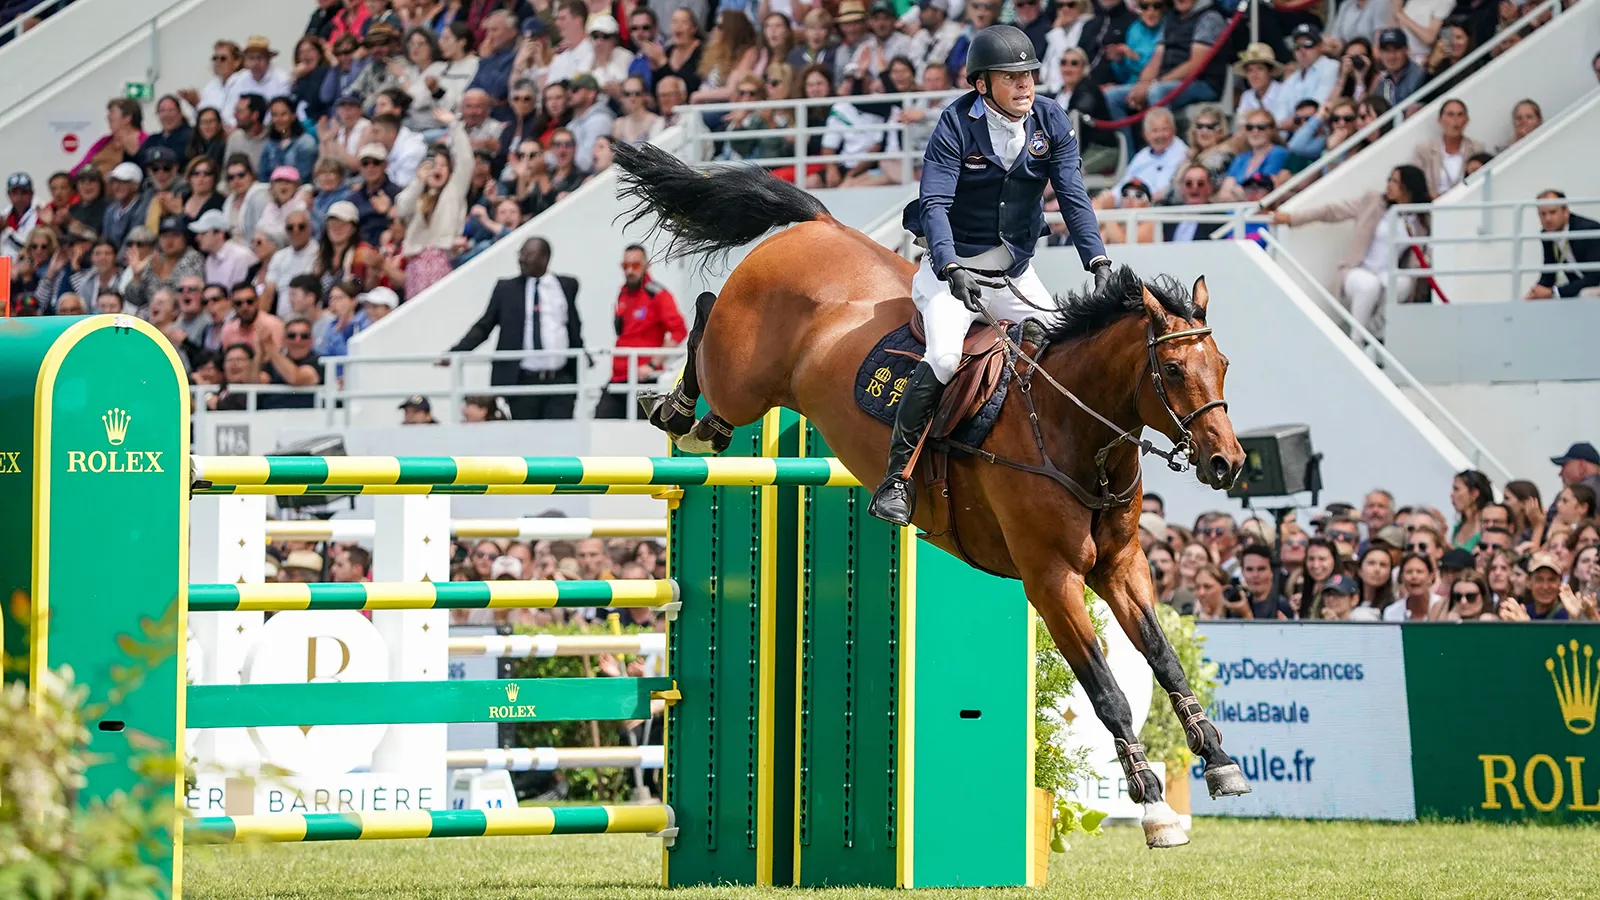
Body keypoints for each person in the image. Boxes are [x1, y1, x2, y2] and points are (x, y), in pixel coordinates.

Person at [874, 25, 1110, 526]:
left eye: (1029, 75)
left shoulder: (1051, 119)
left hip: (1016, 276)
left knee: (1065, 353)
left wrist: (1098, 262)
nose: (1025, 85)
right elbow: (935, 204)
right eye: (1010, 77)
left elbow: (1073, 197)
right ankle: (897, 478)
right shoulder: (955, 123)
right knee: (943, 358)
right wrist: (949, 264)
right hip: (953, 274)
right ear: (982, 84)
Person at [1271, 165, 1431, 337]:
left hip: (1387, 273)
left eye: (1395, 181)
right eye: (1389, 179)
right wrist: (1293, 218)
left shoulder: (1420, 219)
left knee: (1403, 283)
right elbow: (1332, 211)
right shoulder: (1373, 202)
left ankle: (1373, 331)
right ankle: (1357, 339)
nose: (1389, 184)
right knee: (1369, 285)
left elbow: (1425, 250)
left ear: (1409, 187)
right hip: (1359, 269)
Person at [447, 237, 583, 419]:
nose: (522, 259)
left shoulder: (566, 286)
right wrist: (456, 352)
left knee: (560, 434)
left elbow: (573, 326)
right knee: (525, 434)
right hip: (523, 380)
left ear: (545, 258)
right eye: (520, 253)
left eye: (528, 254)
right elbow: (484, 326)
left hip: (560, 380)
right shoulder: (506, 289)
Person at [598, 245, 687, 418]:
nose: (629, 271)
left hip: (644, 380)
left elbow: (679, 330)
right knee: (601, 421)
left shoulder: (657, 294)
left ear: (646, 265)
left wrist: (652, 364)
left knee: (643, 427)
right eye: (625, 266)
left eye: (636, 265)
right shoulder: (623, 293)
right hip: (618, 377)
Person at [1525, 190, 1600, 300]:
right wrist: (1535, 292)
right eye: (1543, 214)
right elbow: (1549, 273)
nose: (1547, 219)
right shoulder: (1546, 234)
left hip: (1593, 284)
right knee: (1533, 299)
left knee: (1585, 295)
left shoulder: (1588, 230)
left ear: (1566, 211)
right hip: (1583, 286)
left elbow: (1594, 277)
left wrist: (1554, 292)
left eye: (1552, 212)